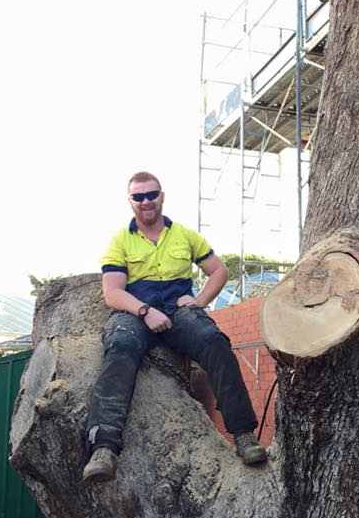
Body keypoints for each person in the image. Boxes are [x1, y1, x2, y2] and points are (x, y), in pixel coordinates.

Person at [83, 172, 267, 483]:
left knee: (214, 342)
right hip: (136, 312)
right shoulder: (120, 241)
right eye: (138, 197)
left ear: (162, 196)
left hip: (178, 310)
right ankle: (103, 449)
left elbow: (218, 270)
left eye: (151, 194)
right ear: (130, 202)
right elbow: (112, 292)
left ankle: (244, 435)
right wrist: (144, 311)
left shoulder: (184, 235)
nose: (146, 202)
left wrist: (199, 301)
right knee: (119, 346)